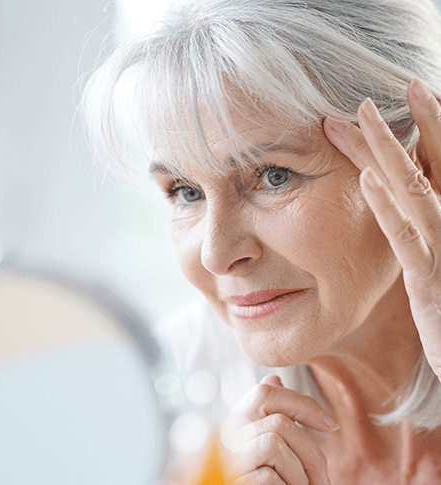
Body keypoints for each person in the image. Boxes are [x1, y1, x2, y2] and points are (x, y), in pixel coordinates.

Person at [83, 0, 441, 483]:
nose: (216, 254)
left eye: (273, 176)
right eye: (185, 192)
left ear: (423, 165)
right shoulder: (165, 401)